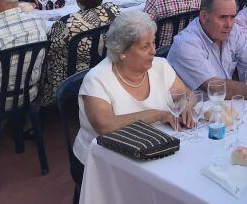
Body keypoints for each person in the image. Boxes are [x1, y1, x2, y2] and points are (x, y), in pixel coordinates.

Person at [73, 11, 195, 164]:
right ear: (122, 52)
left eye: (153, 43)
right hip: (104, 161)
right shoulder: (97, 79)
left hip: (153, 150)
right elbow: (105, 125)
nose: (153, 51)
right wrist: (157, 115)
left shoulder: (160, 66)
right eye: (145, 47)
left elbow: (186, 94)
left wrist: (185, 104)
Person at [39, 0, 121, 106]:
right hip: (105, 65)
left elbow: (51, 49)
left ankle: (48, 102)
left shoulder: (67, 23)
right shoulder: (112, 10)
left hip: (76, 74)